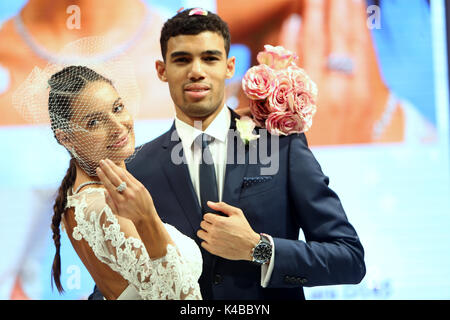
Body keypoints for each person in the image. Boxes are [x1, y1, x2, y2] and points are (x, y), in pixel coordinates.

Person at [89, 8, 365, 300]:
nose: (197, 70)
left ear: (230, 66)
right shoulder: (136, 169)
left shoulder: (281, 145)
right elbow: (117, 283)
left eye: (210, 58)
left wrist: (258, 248)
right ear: (161, 70)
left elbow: (348, 258)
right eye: (182, 59)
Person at [24, 64, 202, 300]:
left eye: (117, 108)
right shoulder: (106, 208)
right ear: (66, 138)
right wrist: (147, 217)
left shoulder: (80, 193)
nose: (118, 127)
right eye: (94, 123)